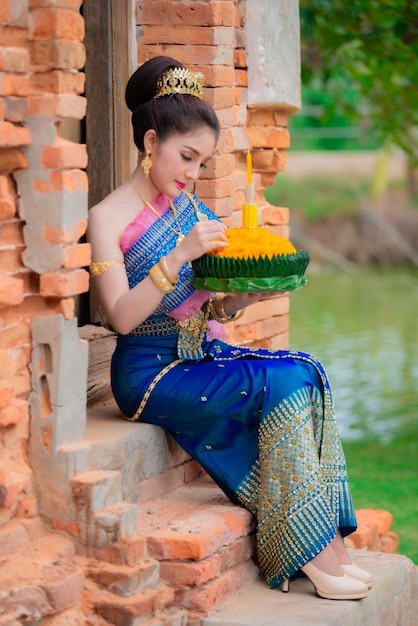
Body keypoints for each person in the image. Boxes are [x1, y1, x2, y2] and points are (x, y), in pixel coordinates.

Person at [87, 55, 372, 600]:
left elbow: (205, 309)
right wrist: (179, 255)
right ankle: (313, 554)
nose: (192, 174)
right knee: (282, 384)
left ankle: (324, 545)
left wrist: (238, 300)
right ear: (150, 143)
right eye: (186, 157)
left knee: (307, 370)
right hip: (148, 372)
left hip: (198, 355)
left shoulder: (188, 208)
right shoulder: (109, 216)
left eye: (201, 162)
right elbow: (121, 314)